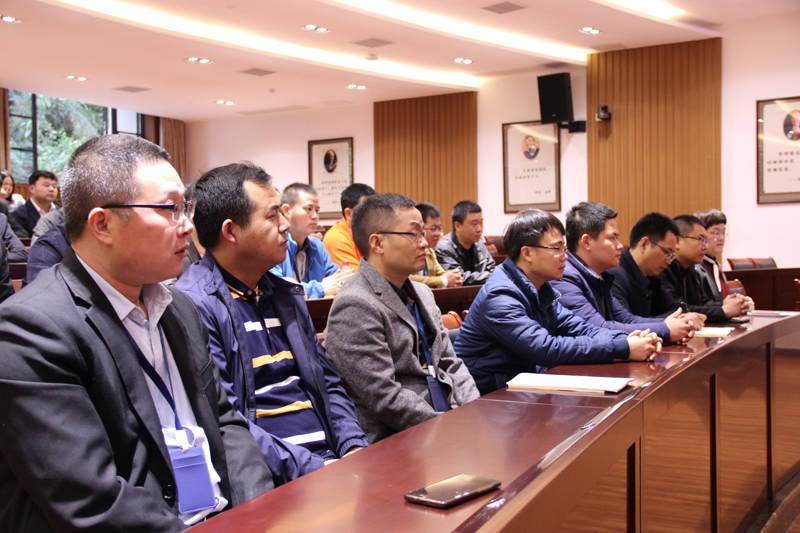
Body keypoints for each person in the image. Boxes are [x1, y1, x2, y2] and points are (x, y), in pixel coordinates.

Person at [0, 134, 273, 531]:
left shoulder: (179, 307)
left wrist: (258, 515)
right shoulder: (32, 329)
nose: (187, 226)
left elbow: (225, 423)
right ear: (103, 224)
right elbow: (91, 501)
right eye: (169, 209)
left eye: (186, 207)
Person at [176, 164, 368, 484]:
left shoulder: (284, 294)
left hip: (330, 465)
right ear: (231, 232)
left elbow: (327, 382)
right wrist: (317, 469)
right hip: (273, 479)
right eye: (272, 215)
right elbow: (228, 422)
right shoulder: (195, 305)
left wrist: (353, 446)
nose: (285, 225)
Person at [453, 209, 661, 395]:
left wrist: (628, 339)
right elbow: (546, 348)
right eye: (556, 249)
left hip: (520, 390)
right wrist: (623, 347)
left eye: (564, 248)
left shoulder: (541, 288)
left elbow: (580, 328)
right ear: (527, 253)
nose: (565, 257)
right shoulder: (500, 295)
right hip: (488, 400)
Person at [324, 193, 479, 442]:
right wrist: (450, 428)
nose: (424, 243)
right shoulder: (355, 304)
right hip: (397, 439)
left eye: (423, 233)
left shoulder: (422, 293)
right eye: (414, 234)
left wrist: (474, 412)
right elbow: (385, 397)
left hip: (448, 423)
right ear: (378, 243)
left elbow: (451, 363)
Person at [551, 202, 693, 344]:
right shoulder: (564, 277)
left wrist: (673, 324)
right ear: (587, 242)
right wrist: (666, 329)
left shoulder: (598, 276)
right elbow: (597, 328)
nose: (619, 245)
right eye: (612, 238)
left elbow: (626, 319)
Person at [608, 212, 706, 330]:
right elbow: (625, 323)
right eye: (667, 253)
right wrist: (671, 323)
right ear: (644, 244)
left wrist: (679, 318)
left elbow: (677, 308)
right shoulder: (614, 274)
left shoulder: (651, 276)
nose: (669, 261)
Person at [270, 183, 354, 298]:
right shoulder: (274, 245)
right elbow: (278, 289)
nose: (315, 216)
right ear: (287, 210)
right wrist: (321, 288)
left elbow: (339, 280)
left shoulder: (317, 246)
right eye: (308, 209)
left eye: (317, 210)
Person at [660, 215, 749, 323]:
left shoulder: (691, 268)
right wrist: (723, 311)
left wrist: (732, 305)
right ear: (677, 240)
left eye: (706, 241)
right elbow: (676, 310)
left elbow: (703, 303)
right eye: (700, 239)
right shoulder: (662, 268)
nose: (705, 247)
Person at [693, 209, 753, 312]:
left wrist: (742, 304)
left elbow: (724, 301)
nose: (721, 238)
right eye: (716, 233)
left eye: (723, 233)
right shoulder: (695, 267)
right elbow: (701, 306)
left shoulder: (714, 264)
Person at [434, 200, 496, 285]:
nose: (479, 229)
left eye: (481, 223)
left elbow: (493, 270)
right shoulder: (443, 248)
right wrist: (491, 277)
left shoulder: (479, 244)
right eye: (474, 224)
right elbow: (459, 278)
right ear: (457, 226)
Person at [409, 202, 463, 288]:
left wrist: (455, 278)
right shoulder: (407, 251)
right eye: (433, 229)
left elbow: (442, 274)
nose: (438, 234)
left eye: (439, 228)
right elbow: (408, 279)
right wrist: (443, 281)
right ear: (419, 228)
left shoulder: (430, 251)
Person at [323, 182, 375, 270]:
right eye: (368, 211)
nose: (374, 216)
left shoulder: (368, 233)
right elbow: (358, 277)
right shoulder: (335, 237)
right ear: (349, 214)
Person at [10, 169, 60, 238]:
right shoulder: (19, 214)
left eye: (54, 186)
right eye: (46, 185)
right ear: (31, 188)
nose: (51, 189)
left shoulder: (62, 213)